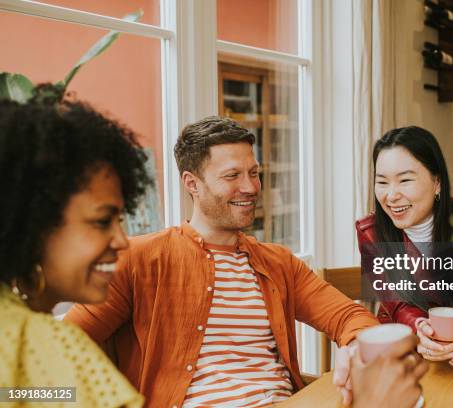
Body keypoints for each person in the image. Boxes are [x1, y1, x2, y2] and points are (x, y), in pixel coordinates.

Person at [65, 116, 382, 407]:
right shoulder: (139, 260)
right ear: (192, 184)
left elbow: (350, 317)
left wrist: (354, 349)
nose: (250, 187)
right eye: (232, 175)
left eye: (254, 173)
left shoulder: (279, 262)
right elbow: (61, 347)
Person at [0, 96, 151, 407]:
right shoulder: (53, 348)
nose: (122, 240)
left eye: (120, 220)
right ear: (34, 223)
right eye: (101, 221)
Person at [356, 126, 453, 372]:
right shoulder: (372, 233)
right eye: (382, 182)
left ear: (437, 182)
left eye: (405, 180)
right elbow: (398, 305)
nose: (391, 196)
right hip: (403, 353)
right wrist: (421, 330)